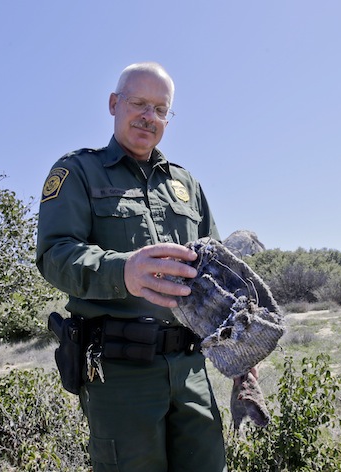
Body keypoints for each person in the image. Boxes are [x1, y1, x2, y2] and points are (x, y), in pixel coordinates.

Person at [36, 62, 227, 472]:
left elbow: (219, 272)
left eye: (160, 109)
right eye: (138, 103)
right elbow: (54, 255)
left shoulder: (186, 185)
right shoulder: (78, 172)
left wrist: (244, 348)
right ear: (113, 104)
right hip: (119, 374)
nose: (148, 116)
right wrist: (123, 271)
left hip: (191, 369)